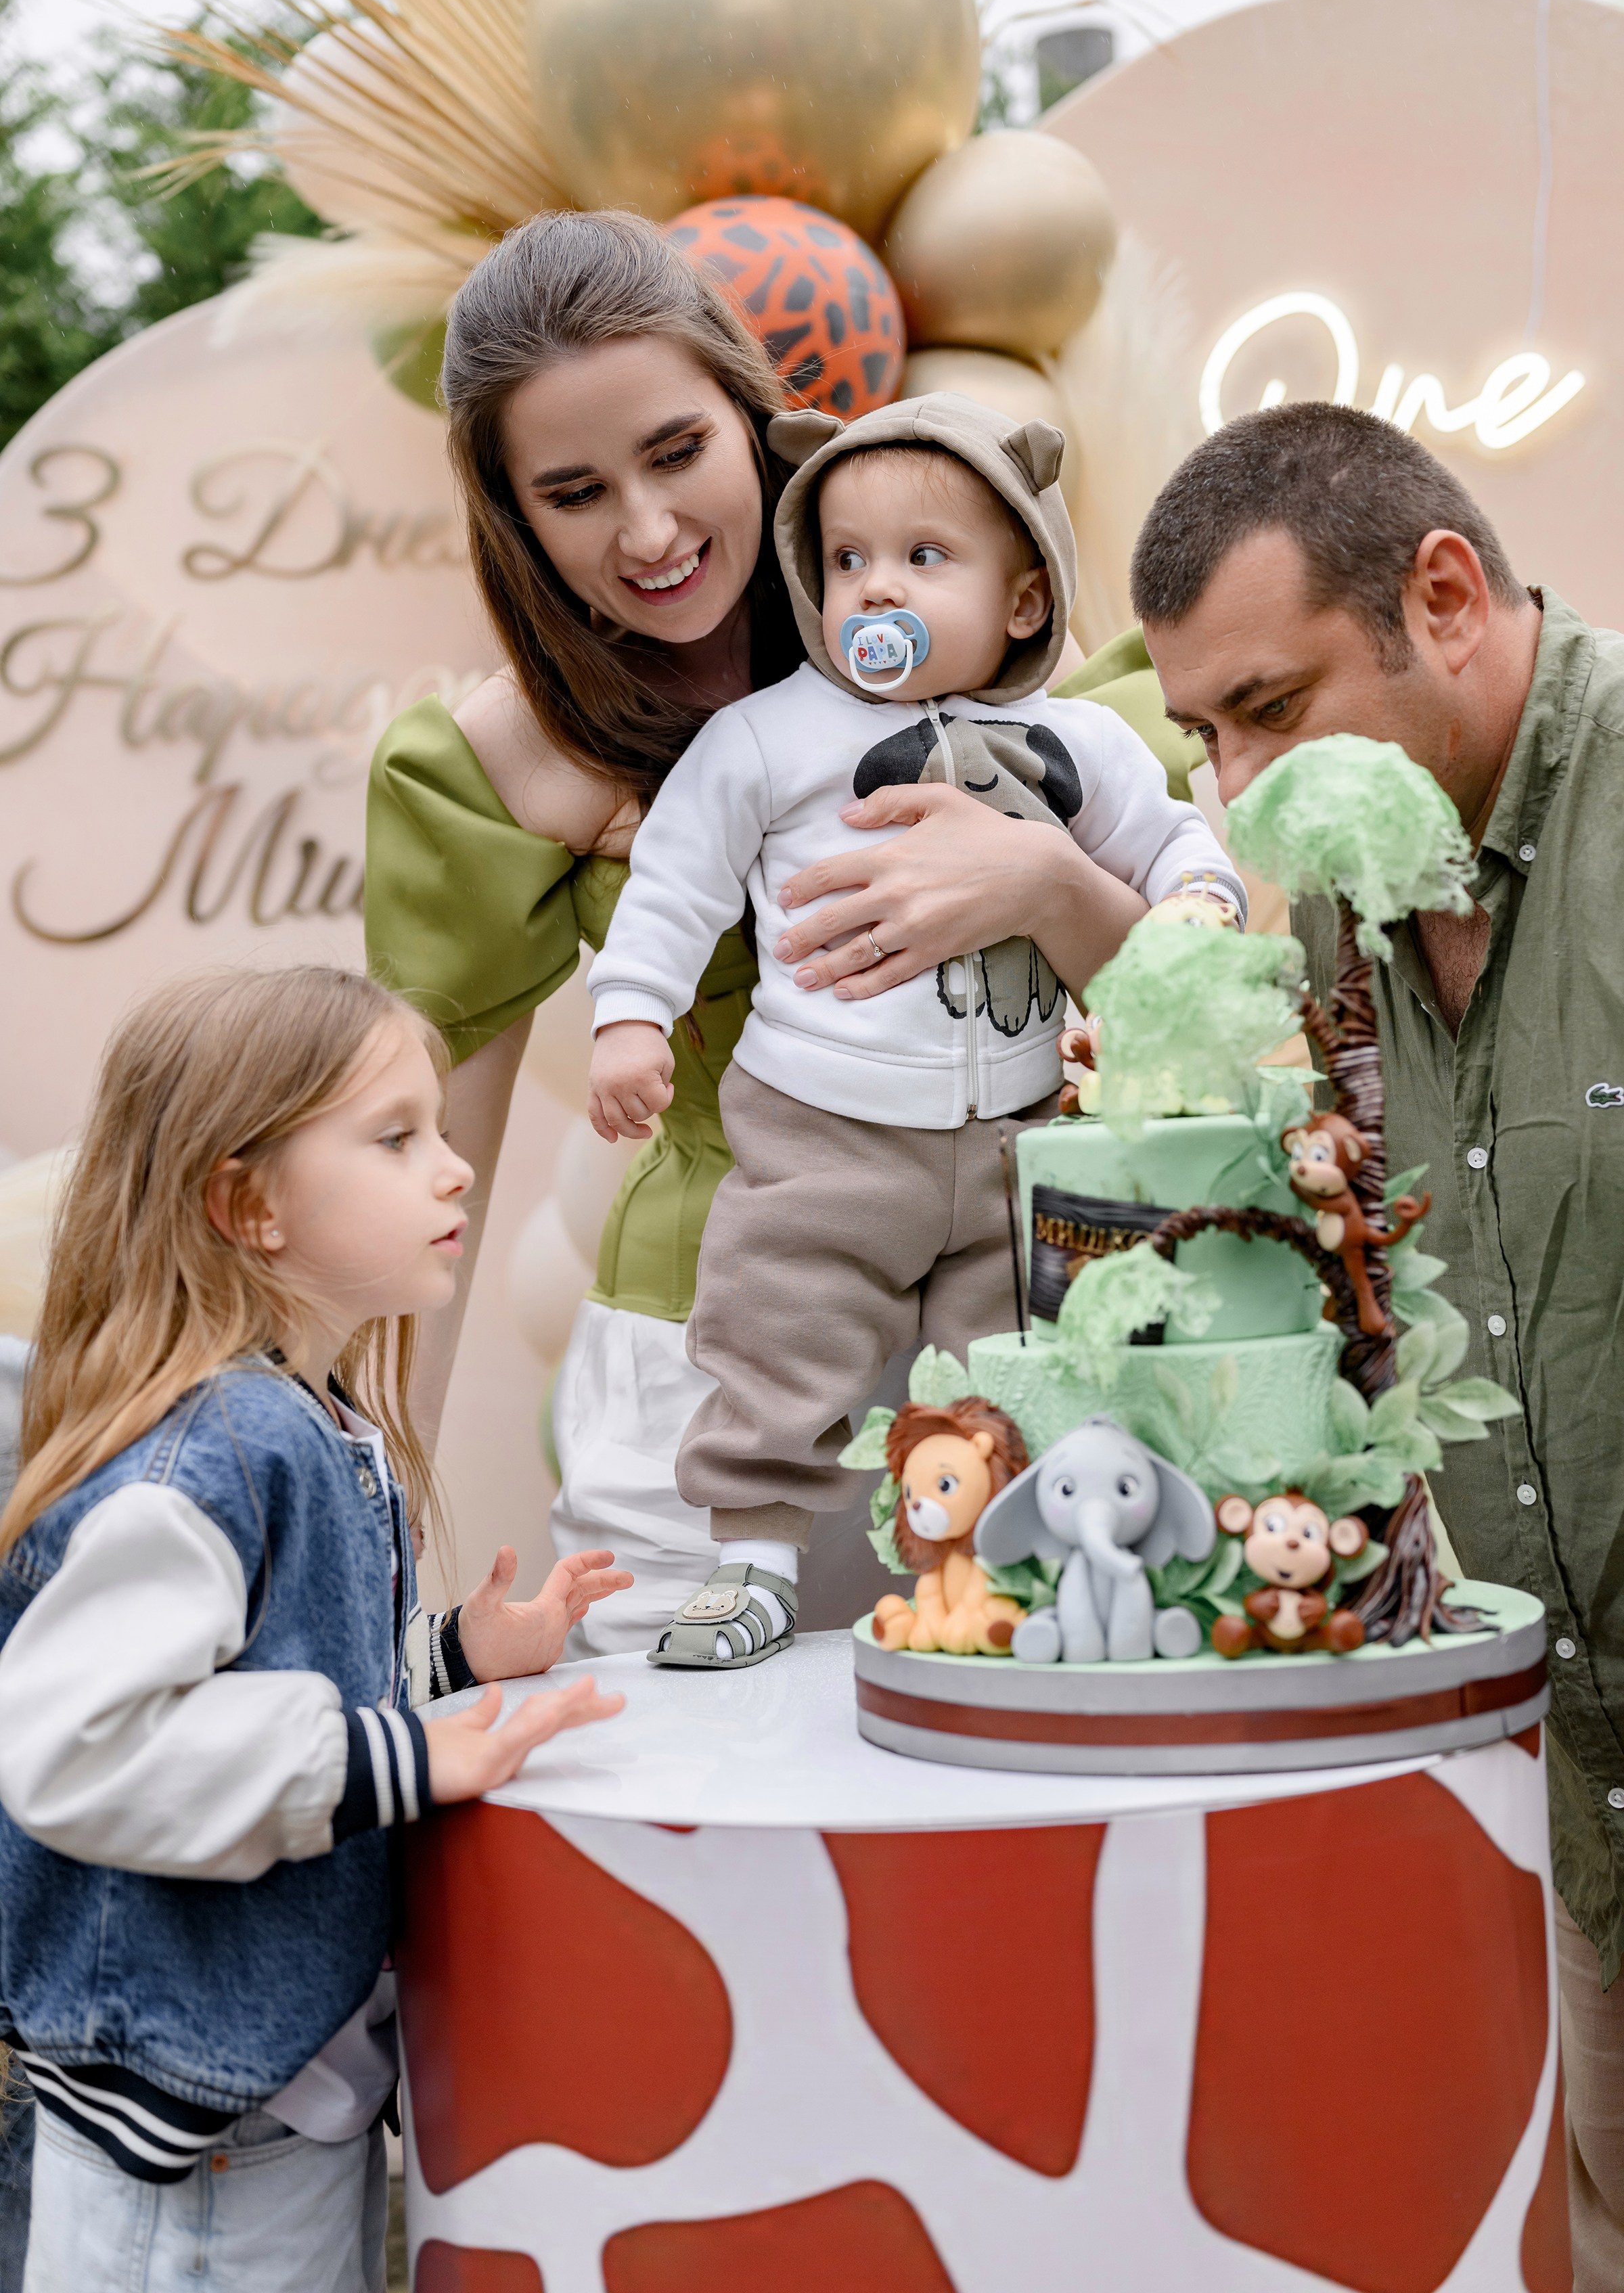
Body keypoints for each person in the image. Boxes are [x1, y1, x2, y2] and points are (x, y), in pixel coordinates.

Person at [365, 208, 1190, 1652]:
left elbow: (1183, 1008)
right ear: (514, 517)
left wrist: (1040, 883)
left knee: (1028, 1729)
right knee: (695, 1759)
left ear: (752, 417)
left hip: (1013, 1330)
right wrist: (361, 1533)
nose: (648, 531)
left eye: (679, 451)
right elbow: (421, 1171)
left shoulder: (969, 625)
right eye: (574, 491)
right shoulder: (504, 760)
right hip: (707, 1356)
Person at [1131, 396, 1624, 2292]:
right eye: (1207, 736)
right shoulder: (1342, 883)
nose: (1239, 788)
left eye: (1271, 708)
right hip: (1562, 1794)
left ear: (1445, 597)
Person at [587, 393, 1242, 1666]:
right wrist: (630, 1018)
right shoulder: (768, 736)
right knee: (778, 1325)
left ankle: (1004, 1573)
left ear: (1025, 599)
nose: (876, 588)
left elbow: (1168, 838)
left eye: (924, 557)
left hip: (1021, 1133)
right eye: (847, 561)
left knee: (1023, 1357)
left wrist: (1199, 898)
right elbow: (673, 883)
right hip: (824, 1126)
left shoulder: (1080, 739)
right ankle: (753, 1559)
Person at [0, 965, 626, 2293]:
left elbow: (290, 1682)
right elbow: (79, 1745)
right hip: (195, 2157)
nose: (455, 1168)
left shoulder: (314, 1422)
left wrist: (453, 1660)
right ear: (249, 1206)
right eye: (395, 1138)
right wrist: (408, 1755)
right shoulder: (216, 1450)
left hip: (283, 2106)